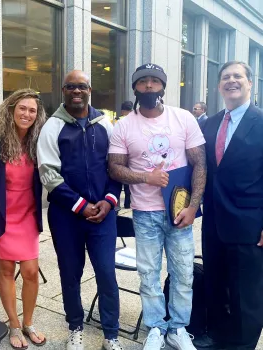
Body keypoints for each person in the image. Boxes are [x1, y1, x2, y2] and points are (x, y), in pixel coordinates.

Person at [108, 64, 206, 350]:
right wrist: (145, 177)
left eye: (154, 81)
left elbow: (199, 163)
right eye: (143, 82)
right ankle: (155, 328)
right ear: (135, 88)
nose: (149, 86)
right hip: (145, 212)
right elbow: (114, 168)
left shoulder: (183, 118)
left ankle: (177, 329)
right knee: (148, 274)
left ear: (162, 86)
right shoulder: (124, 125)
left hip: (179, 211)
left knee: (183, 273)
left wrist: (193, 206)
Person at [37, 70, 123, 350]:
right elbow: (48, 174)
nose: (77, 91)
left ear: (90, 89)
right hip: (66, 216)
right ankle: (75, 326)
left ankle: (111, 333)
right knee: (70, 273)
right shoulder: (52, 127)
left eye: (81, 86)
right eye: (71, 86)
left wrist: (109, 200)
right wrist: (80, 205)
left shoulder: (105, 124)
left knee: (107, 274)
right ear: (63, 90)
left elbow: (115, 168)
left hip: (103, 215)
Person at [202, 61, 263, 349]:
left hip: (249, 226)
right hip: (213, 224)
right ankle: (220, 338)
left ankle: (243, 345)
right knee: (217, 285)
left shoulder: (261, 122)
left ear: (250, 83)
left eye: (238, 76)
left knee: (246, 295)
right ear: (219, 86)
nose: (231, 81)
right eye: (226, 77)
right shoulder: (211, 123)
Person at [0, 89, 47, 349]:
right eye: (22, 108)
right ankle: (13, 324)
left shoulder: (38, 142)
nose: (27, 114)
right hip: (3, 215)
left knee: (31, 272)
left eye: (32, 110)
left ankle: (28, 322)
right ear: (11, 110)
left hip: (28, 214)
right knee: (7, 270)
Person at [115, 101, 133, 209]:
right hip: (130, 155)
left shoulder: (117, 121)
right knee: (128, 182)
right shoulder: (135, 122)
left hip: (118, 154)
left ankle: (119, 204)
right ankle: (128, 203)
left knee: (119, 180)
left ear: (122, 111)